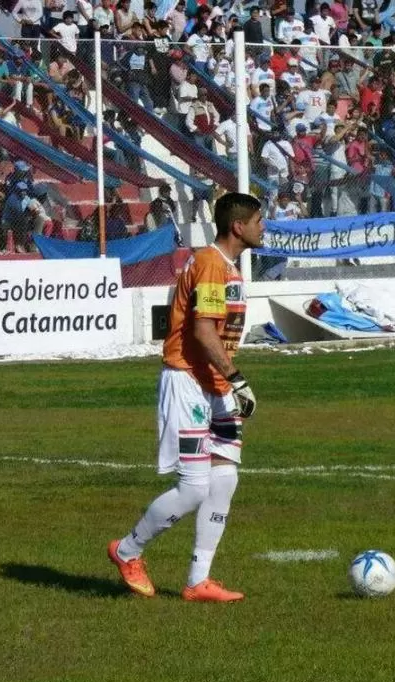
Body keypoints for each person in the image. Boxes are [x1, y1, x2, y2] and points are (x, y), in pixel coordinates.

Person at [108, 192, 265, 603]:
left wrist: (227, 382)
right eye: (259, 221)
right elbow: (202, 332)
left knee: (225, 477)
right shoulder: (212, 265)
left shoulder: (224, 266)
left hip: (213, 385)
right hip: (188, 381)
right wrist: (237, 379)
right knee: (195, 487)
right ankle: (128, 551)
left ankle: (198, 581)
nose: (262, 228)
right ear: (239, 226)